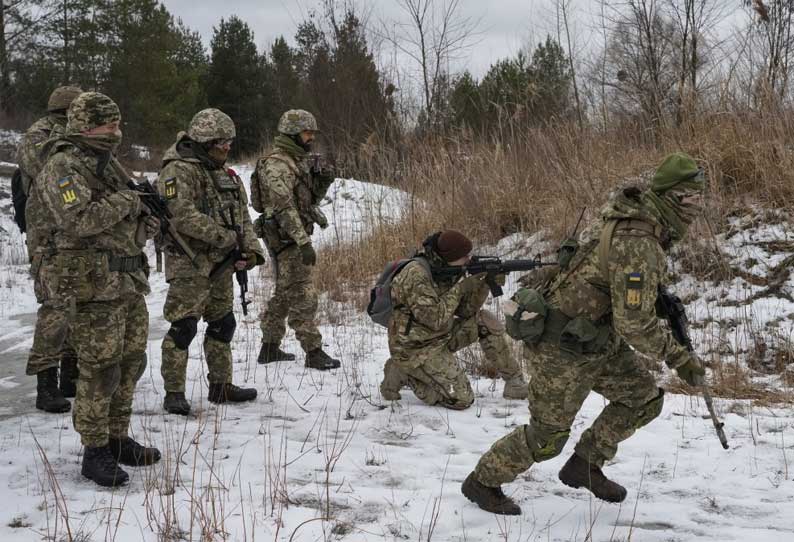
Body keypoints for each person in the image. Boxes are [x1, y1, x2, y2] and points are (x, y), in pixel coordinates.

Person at [461, 153, 707, 515]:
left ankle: (585, 465)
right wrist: (679, 357)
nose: (697, 207)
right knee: (547, 438)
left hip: (595, 339)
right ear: (671, 197)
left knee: (643, 399)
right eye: (691, 199)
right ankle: (482, 482)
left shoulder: (631, 221)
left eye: (700, 197)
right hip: (560, 347)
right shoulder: (637, 240)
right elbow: (634, 324)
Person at [36, 91, 161, 487]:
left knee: (130, 363)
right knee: (99, 370)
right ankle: (95, 450)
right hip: (91, 286)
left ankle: (118, 437)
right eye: (109, 125)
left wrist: (146, 220)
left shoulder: (107, 166)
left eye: (118, 125)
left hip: (125, 282)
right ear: (86, 126)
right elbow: (79, 221)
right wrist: (128, 200)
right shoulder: (63, 166)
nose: (116, 133)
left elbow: (126, 228)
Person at [158, 108, 264, 416]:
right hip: (190, 264)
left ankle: (221, 386)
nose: (227, 148)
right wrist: (224, 237)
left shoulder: (225, 173)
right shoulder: (177, 171)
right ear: (204, 142)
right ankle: (174, 392)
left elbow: (243, 217)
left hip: (222, 265)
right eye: (220, 143)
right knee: (183, 327)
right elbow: (181, 214)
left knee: (222, 324)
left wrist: (251, 250)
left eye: (229, 142)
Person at [380, 230, 528, 409]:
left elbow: (466, 311)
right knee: (462, 399)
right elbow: (434, 318)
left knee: (484, 320)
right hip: (414, 348)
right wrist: (461, 288)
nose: (468, 259)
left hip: (439, 336)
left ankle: (514, 382)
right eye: (464, 256)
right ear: (450, 256)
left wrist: (484, 284)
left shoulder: (446, 268)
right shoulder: (415, 275)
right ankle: (403, 371)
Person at [251, 109, 340, 371]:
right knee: (303, 293)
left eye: (312, 132)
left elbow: (306, 202)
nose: (311, 137)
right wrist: (303, 242)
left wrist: (323, 183)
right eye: (306, 132)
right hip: (286, 237)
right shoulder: (277, 164)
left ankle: (269, 347)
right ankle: (313, 351)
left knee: (284, 293)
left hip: (293, 234)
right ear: (292, 133)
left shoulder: (295, 160)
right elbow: (283, 207)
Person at [16, 85, 83, 412]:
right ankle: (46, 382)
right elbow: (50, 170)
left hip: (74, 236)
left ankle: (70, 374)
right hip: (49, 239)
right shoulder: (38, 137)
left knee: (77, 302)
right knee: (55, 309)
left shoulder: (73, 137)